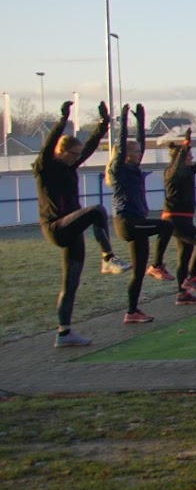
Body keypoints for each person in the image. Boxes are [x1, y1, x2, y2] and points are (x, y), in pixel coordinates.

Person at [35, 100, 120, 347]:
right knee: (96, 211)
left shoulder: (70, 165)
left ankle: (64, 333)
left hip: (72, 229)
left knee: (70, 283)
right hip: (55, 226)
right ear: (61, 152)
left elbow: (90, 147)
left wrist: (104, 124)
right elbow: (48, 146)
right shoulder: (45, 167)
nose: (76, 159)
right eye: (72, 155)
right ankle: (108, 258)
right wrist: (63, 120)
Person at [107, 104, 176, 324]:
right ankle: (157, 266)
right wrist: (123, 121)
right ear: (126, 155)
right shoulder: (118, 169)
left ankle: (132, 311)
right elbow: (120, 147)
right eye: (135, 152)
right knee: (167, 225)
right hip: (127, 222)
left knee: (138, 272)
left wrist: (141, 121)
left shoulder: (134, 167)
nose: (140, 154)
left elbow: (142, 144)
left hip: (138, 223)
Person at [149, 126, 196, 303]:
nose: (191, 157)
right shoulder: (173, 172)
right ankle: (192, 278)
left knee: (185, 255)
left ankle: (182, 293)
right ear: (179, 157)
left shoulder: (185, 171)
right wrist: (186, 143)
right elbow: (183, 159)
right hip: (176, 220)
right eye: (188, 155)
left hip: (184, 219)